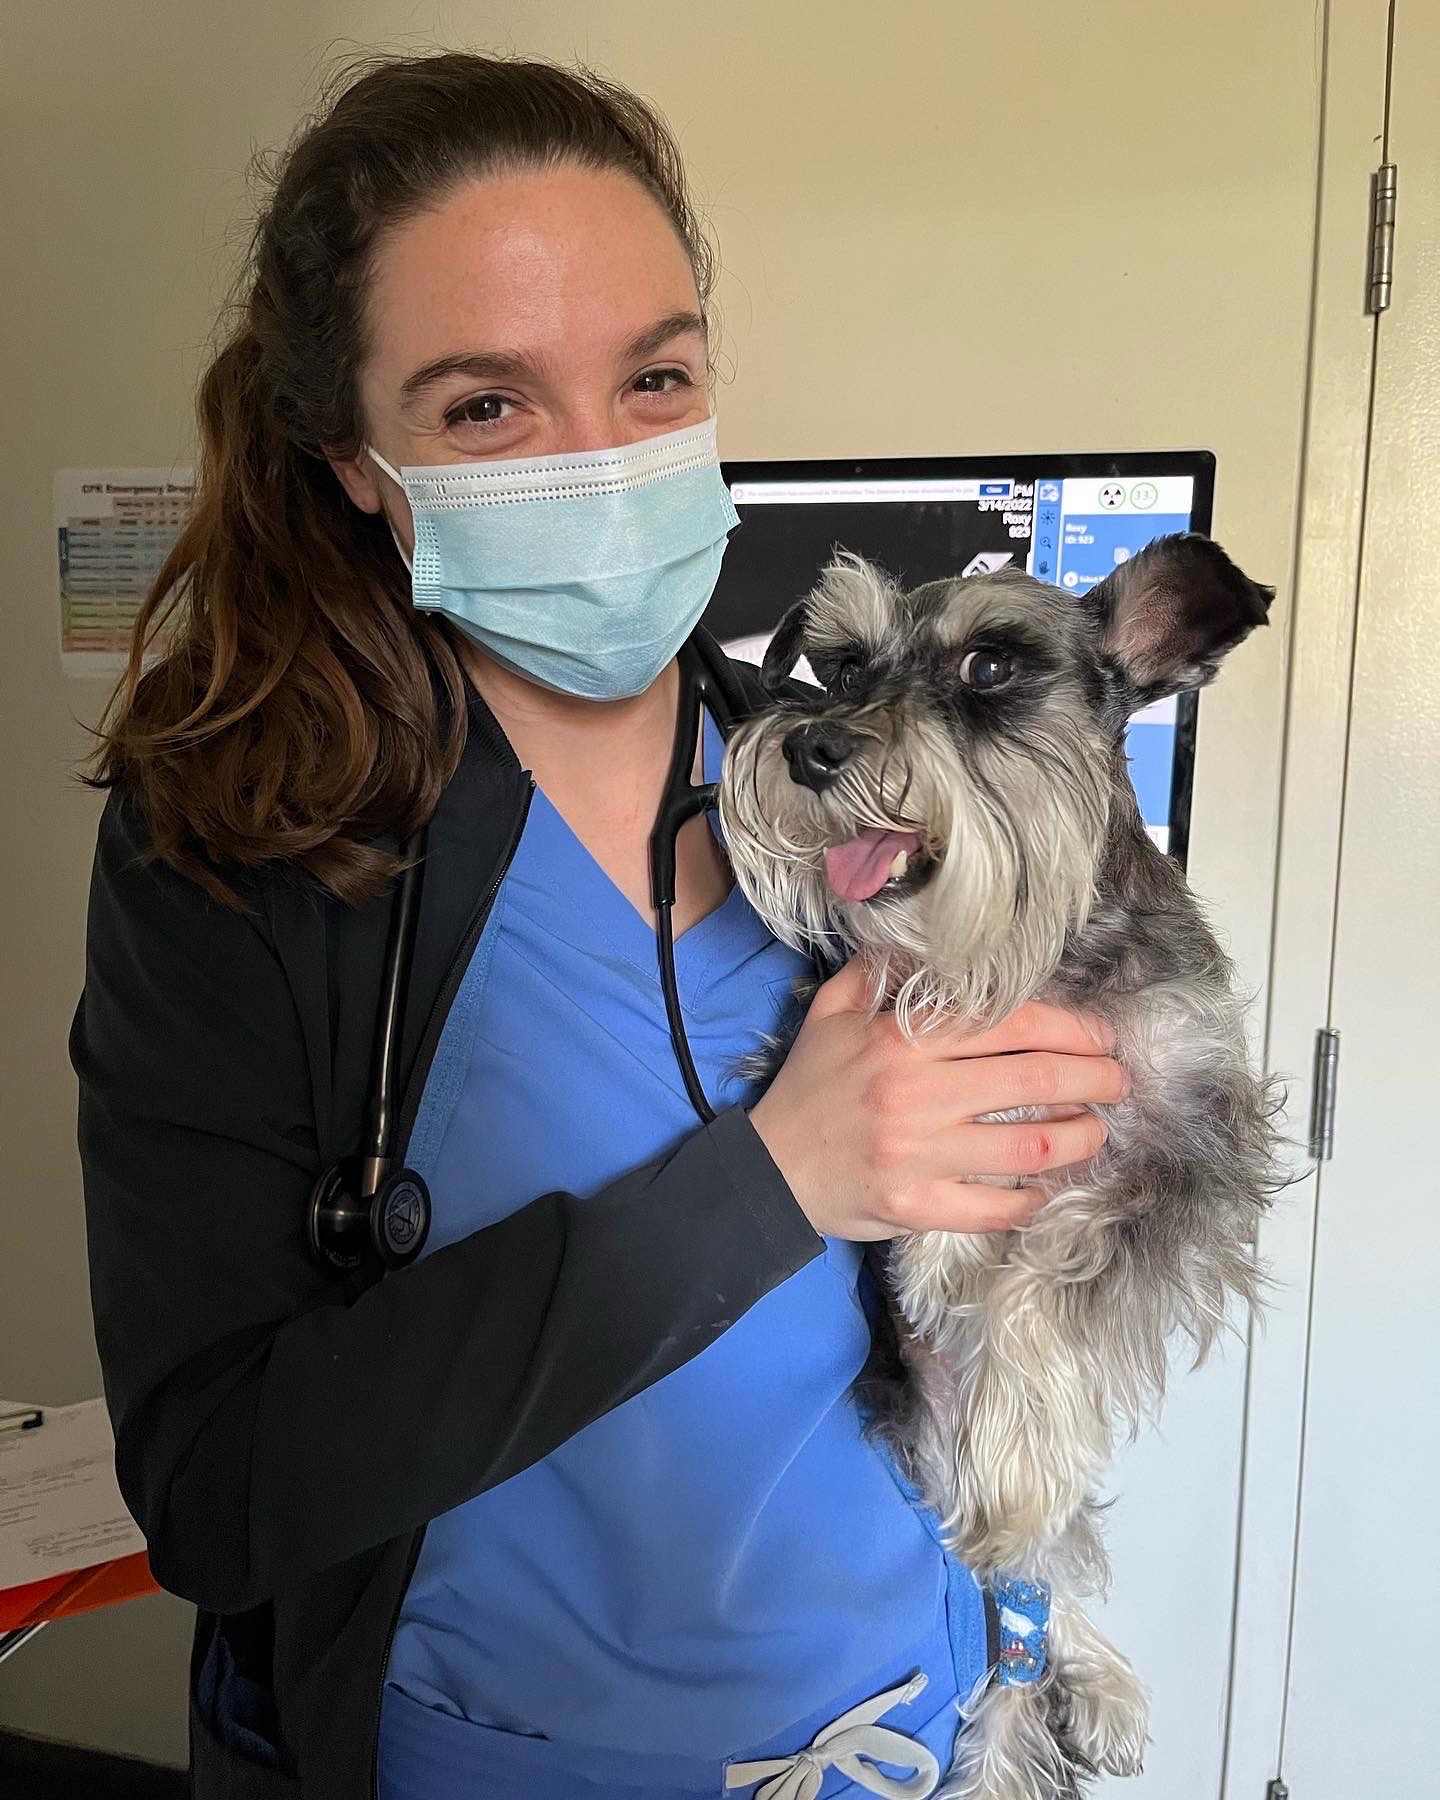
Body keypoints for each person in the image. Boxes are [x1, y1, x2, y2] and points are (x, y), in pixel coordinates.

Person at [71, 51, 1128, 1800]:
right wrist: (772, 1182)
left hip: (917, 1727)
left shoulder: (843, 790)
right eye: (489, 407)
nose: (602, 463)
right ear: (352, 459)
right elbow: (222, 1491)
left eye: (654, 378)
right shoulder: (244, 855)